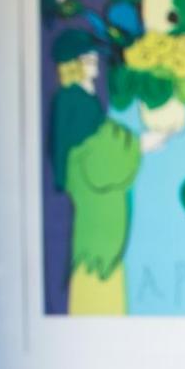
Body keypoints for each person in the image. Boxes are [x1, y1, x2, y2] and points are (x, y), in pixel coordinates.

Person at [49, 30, 141, 315]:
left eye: (93, 58)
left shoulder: (80, 99)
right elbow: (93, 159)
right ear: (73, 66)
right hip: (93, 217)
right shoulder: (75, 102)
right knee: (96, 278)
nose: (95, 64)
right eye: (88, 60)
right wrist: (139, 144)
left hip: (93, 212)